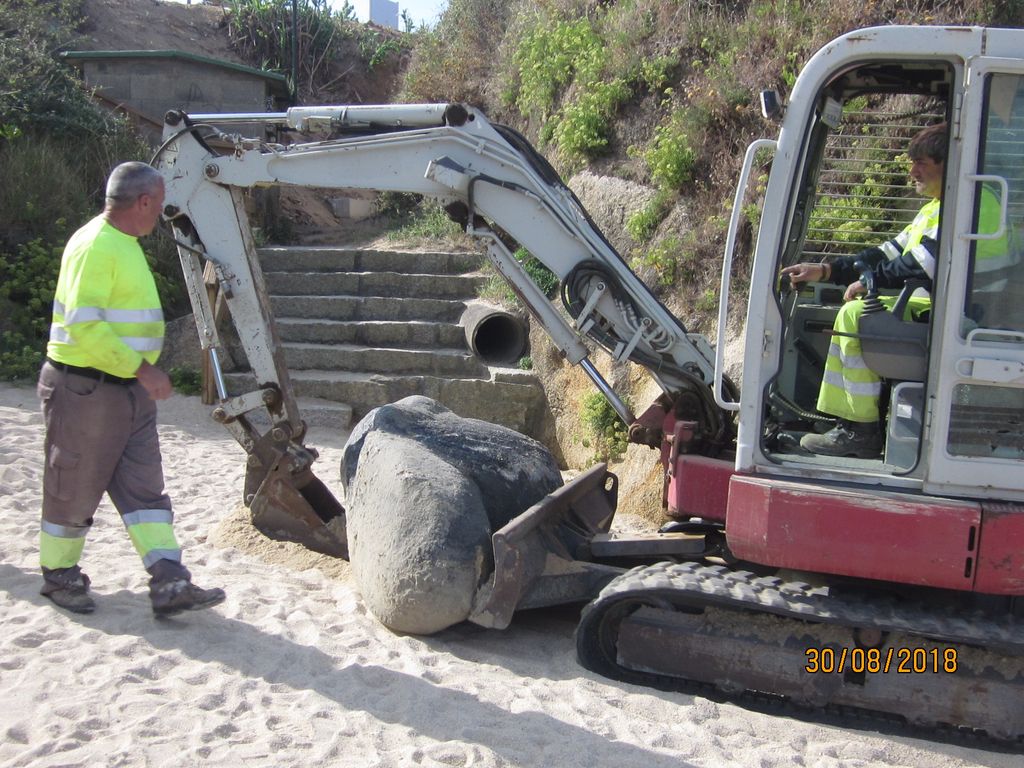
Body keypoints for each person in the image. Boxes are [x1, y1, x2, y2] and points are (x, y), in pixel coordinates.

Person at [37, 161, 225, 616]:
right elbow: (86, 325)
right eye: (158, 205)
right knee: (74, 486)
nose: (161, 213)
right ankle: (60, 577)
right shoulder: (96, 246)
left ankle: (169, 581)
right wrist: (143, 370)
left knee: (146, 488)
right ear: (142, 202)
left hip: (125, 393)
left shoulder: (121, 242)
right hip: (87, 389)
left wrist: (138, 376)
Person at [782, 123, 949, 458]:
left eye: (922, 164)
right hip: (933, 307)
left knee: (857, 316)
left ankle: (861, 431)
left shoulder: (968, 209)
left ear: (950, 165)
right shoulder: (933, 210)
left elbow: (919, 265)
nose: (912, 171)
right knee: (856, 308)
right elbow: (886, 254)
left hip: (950, 317)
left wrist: (870, 282)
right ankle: (849, 421)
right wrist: (826, 270)